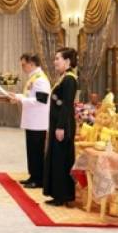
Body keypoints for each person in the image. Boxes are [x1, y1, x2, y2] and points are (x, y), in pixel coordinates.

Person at [43, 47, 79, 207]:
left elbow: (66, 105)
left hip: (63, 125)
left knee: (61, 160)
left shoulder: (70, 79)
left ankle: (63, 195)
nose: (55, 62)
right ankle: (58, 194)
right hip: (58, 123)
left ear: (67, 61)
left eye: (58, 58)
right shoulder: (63, 78)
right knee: (57, 158)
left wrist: (60, 127)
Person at [8, 54, 50, 189]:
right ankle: (33, 176)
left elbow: (41, 100)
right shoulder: (33, 78)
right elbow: (29, 96)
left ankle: (39, 179)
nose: (22, 67)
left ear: (31, 64)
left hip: (38, 122)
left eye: (23, 64)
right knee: (31, 151)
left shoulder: (40, 79)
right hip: (32, 121)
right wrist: (18, 96)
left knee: (37, 152)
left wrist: (20, 99)